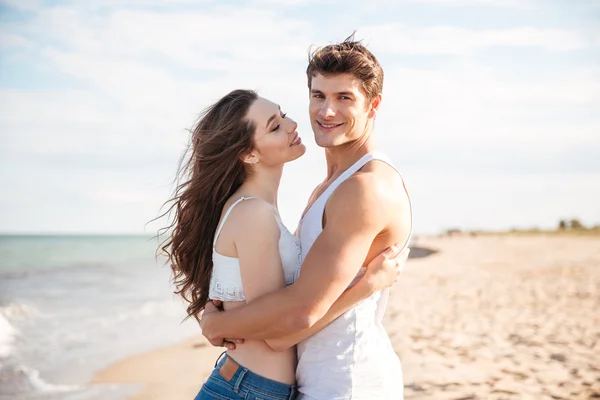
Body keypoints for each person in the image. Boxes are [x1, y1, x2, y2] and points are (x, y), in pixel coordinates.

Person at [159, 89, 410, 400]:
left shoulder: (261, 210)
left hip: (254, 387)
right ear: (249, 154)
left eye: (283, 115)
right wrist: (365, 287)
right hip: (248, 390)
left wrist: (219, 324)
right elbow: (279, 334)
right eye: (274, 126)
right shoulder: (253, 214)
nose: (292, 125)